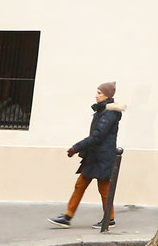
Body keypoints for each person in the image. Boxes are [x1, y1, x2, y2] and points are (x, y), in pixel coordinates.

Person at [51, 82, 124, 227]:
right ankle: (68, 216)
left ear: (107, 95)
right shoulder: (103, 111)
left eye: (99, 93)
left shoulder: (109, 113)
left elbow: (97, 136)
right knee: (80, 185)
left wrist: (76, 148)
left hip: (102, 157)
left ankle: (109, 219)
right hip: (94, 156)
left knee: (104, 188)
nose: (96, 96)